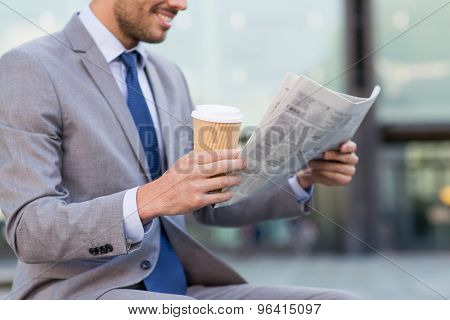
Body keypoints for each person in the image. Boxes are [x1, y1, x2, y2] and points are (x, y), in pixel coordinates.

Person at [0, 0, 359, 300]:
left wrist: (302, 177)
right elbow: (30, 230)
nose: (181, 4)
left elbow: (208, 203)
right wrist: (153, 198)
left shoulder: (167, 74)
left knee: (343, 305)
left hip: (180, 288)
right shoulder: (31, 68)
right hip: (84, 291)